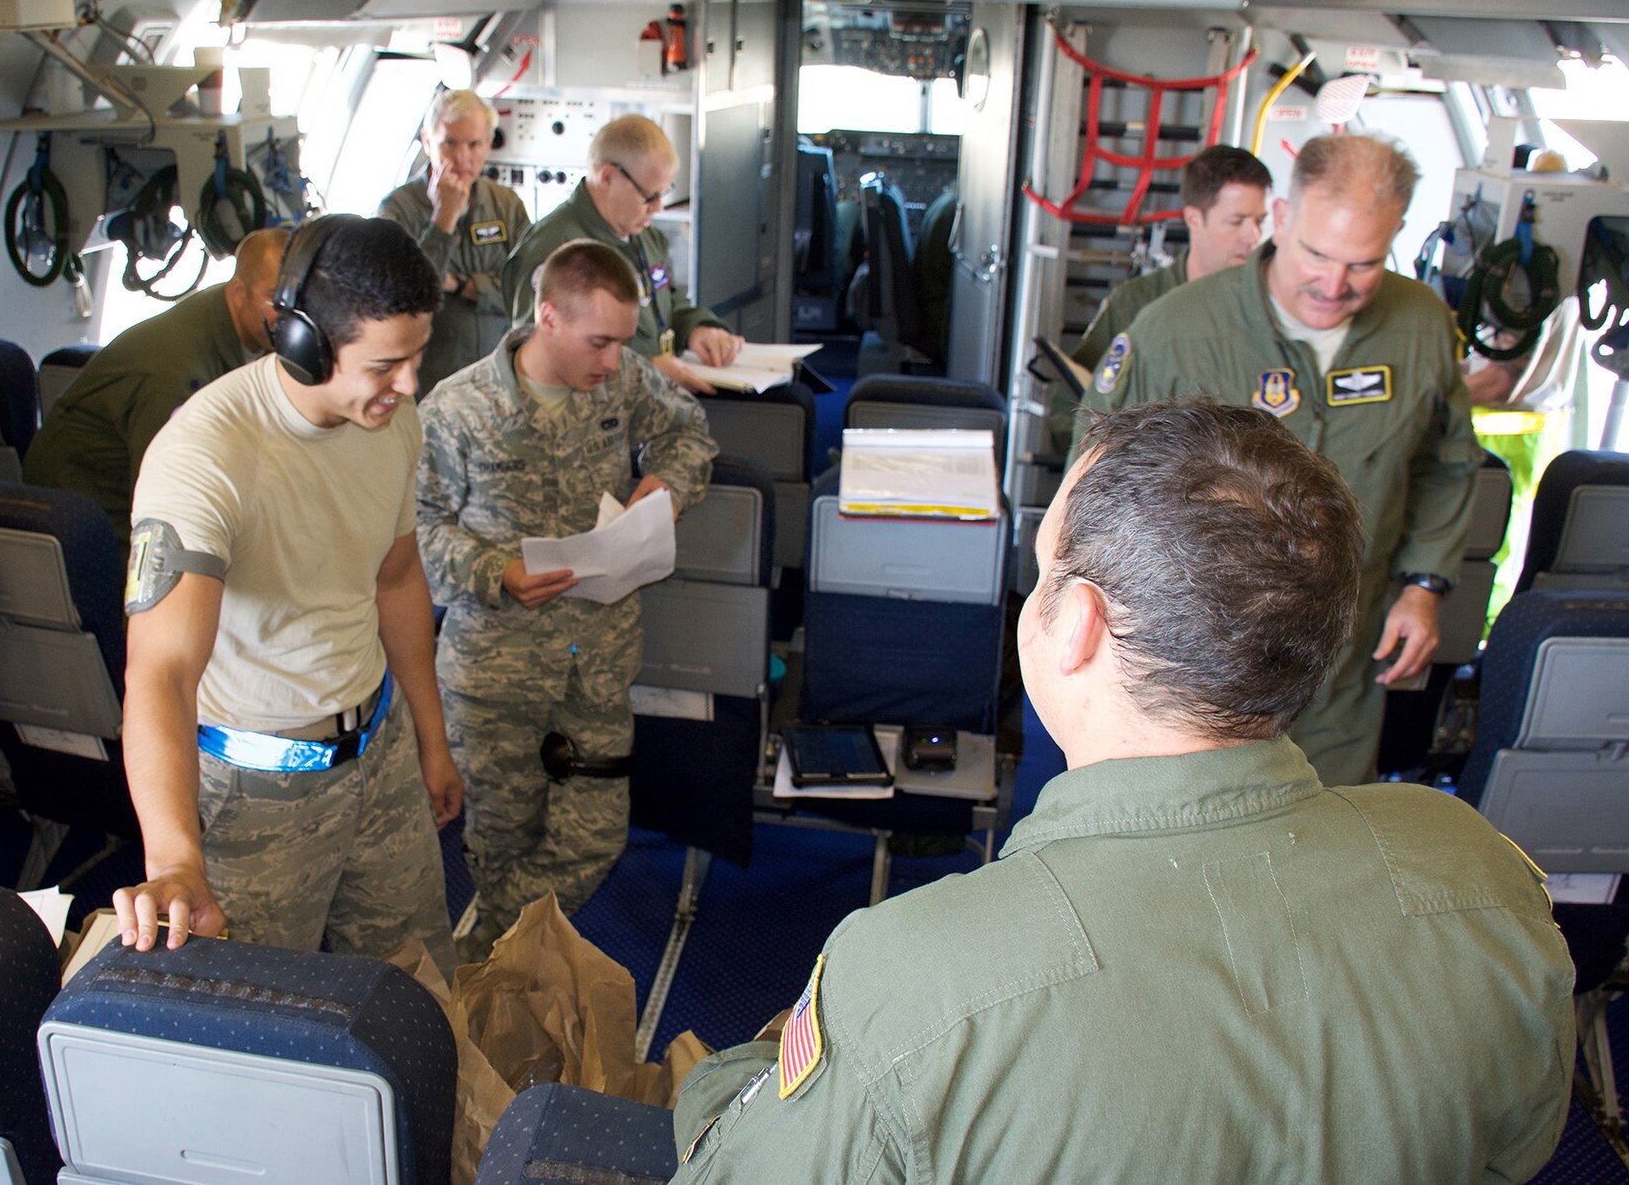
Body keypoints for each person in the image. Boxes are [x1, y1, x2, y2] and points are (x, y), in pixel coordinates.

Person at [669, 401, 1574, 1185]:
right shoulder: (1478, 874)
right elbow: (1512, 1152)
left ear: (1082, 627)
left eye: (1046, 566)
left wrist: (744, 1066)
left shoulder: (913, 982)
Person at [109, 216, 460, 973]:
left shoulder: (392, 422)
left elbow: (396, 581)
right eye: (384, 366)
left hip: (379, 753)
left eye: (416, 358)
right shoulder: (204, 457)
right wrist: (174, 859)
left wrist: (432, 739)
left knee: (421, 990)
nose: (409, 386)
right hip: (258, 793)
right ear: (302, 344)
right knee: (266, 1023)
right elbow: (160, 672)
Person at [1078, 134, 1480, 786]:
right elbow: (1090, 484)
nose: (1332, 284)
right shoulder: (1174, 332)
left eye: (1363, 265)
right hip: (1190, 676)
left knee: (1322, 848)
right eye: (1317, 255)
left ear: (1396, 235)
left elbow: (1448, 465)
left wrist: (1423, 586)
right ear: (1284, 218)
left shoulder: (1422, 327)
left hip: (1343, 670)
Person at [419, 240, 715, 959]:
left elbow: (689, 434)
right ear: (548, 317)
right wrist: (496, 571)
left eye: (622, 342)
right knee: (501, 842)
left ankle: (497, 950)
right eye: (601, 341)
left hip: (596, 660)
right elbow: (413, 535)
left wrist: (669, 484)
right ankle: (505, 974)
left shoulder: (622, 382)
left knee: (594, 838)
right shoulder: (457, 410)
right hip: (495, 675)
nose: (614, 360)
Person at [24, 227, 293, 555]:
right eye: (276, 299)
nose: (290, 314)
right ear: (239, 292)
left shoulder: (245, 325)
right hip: (90, 508)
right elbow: (165, 503)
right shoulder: (175, 379)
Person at [501, 114, 743, 395]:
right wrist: (644, 371)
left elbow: (667, 302)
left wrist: (697, 329)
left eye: (664, 193)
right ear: (607, 177)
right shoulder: (554, 249)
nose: (658, 207)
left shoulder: (643, 236)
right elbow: (536, 361)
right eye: (649, 196)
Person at [1048, 145, 1271, 448]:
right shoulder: (1136, 304)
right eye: (1237, 221)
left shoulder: (1269, 311)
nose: (1253, 236)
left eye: (1259, 221)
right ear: (1194, 219)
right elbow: (1066, 413)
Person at [377, 89, 532, 393]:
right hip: (431, 386)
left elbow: (526, 291)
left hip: (498, 383)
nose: (462, 157)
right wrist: (443, 218)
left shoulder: (506, 205)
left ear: (488, 144)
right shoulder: (397, 210)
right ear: (427, 141)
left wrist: (457, 285)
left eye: (474, 144)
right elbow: (404, 300)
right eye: (450, 143)